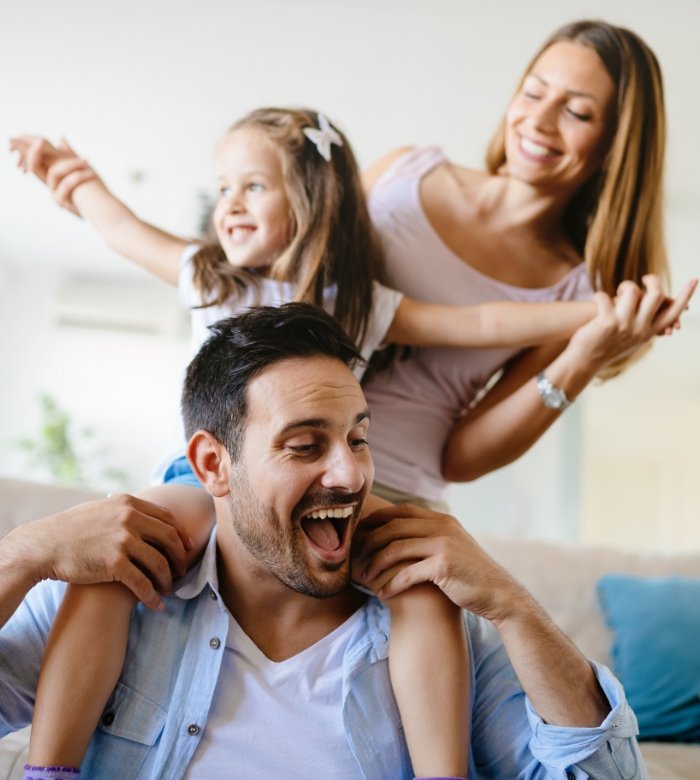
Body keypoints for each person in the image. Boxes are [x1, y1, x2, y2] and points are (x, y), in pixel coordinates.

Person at [9, 106, 647, 780]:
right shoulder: (209, 275)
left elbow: (485, 320)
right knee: (119, 563)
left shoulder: (365, 304)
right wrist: (76, 182)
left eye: (252, 187)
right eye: (304, 445)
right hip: (185, 489)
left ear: (311, 200)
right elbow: (123, 229)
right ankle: (50, 769)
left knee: (421, 590)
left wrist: (601, 313)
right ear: (213, 461)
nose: (230, 205)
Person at [0, 304, 648, 779]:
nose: (351, 474)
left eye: (358, 439)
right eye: (305, 445)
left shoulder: (442, 625)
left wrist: (513, 606)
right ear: (212, 465)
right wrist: (21, 554)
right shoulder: (121, 591)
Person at [361, 19, 691, 509]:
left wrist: (584, 358)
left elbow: (462, 460)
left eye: (577, 113)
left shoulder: (575, 292)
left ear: (613, 147)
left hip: (392, 492)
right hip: (276, 454)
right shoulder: (401, 172)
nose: (539, 121)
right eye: (534, 94)